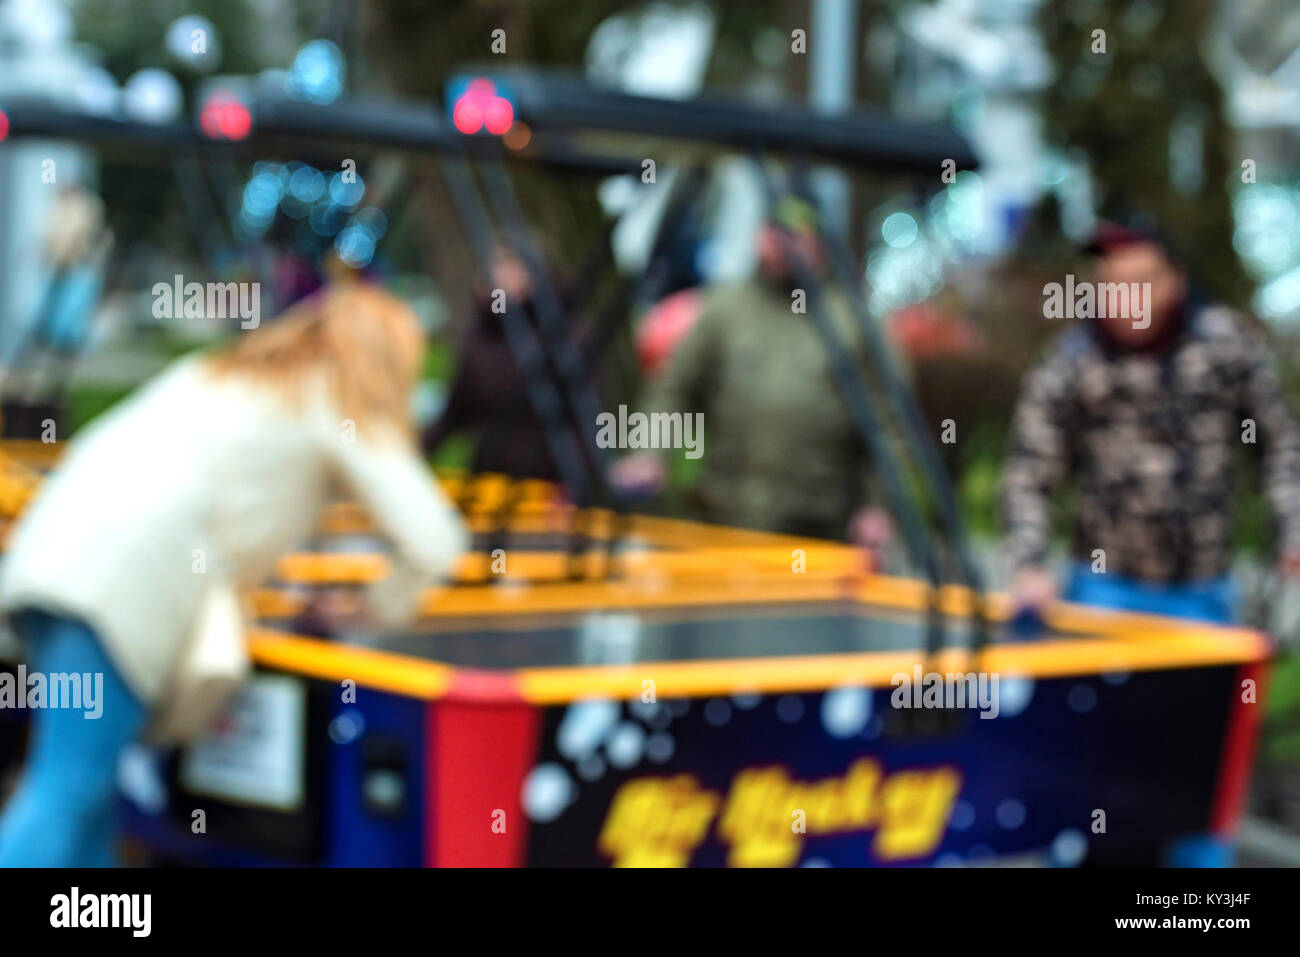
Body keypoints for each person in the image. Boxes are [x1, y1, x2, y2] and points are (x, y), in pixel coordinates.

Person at [0, 284, 468, 866]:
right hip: (115, 593)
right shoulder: (332, 394)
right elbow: (435, 539)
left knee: (91, 796)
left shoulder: (226, 375)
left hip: (50, 566)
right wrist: (372, 605)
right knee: (68, 790)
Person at [1002, 218, 1300, 623]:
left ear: (1175, 280)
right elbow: (1028, 470)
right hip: (1100, 588)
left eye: (1142, 282)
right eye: (1112, 284)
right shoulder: (1071, 361)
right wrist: (1029, 564)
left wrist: (1291, 531)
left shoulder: (1226, 346)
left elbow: (1280, 443)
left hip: (1205, 589)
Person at [612, 196, 892, 548]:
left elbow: (889, 424)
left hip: (817, 533)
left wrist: (880, 507)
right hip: (722, 521)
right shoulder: (725, 308)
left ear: (818, 244)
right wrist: (648, 453)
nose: (778, 244)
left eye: (793, 235)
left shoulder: (853, 324)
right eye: (772, 231)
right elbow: (674, 387)